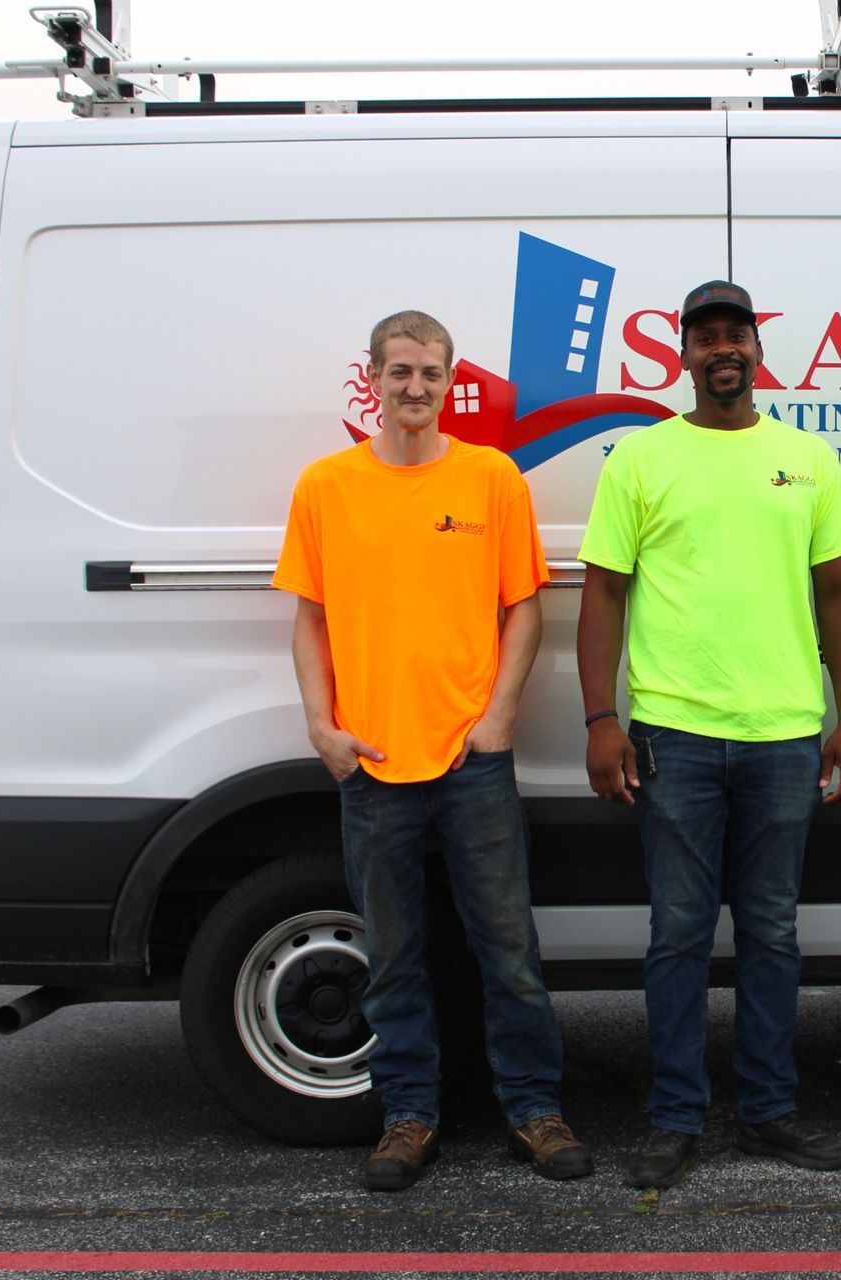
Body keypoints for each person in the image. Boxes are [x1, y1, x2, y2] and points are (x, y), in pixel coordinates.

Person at [275, 310, 590, 1191]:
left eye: (431, 372)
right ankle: (409, 1117)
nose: (415, 386)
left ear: (451, 382)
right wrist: (321, 727)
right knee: (394, 957)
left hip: (471, 761)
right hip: (372, 762)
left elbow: (523, 607)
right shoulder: (326, 486)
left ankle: (534, 1110)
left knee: (508, 951)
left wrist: (497, 718)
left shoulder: (491, 478)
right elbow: (310, 619)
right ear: (373, 379)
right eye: (400, 370)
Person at [576, 280, 841, 1190]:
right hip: (675, 735)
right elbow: (604, 593)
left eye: (735, 333)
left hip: (784, 735)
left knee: (773, 932)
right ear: (684, 356)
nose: (723, 349)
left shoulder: (806, 458)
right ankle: (675, 1118)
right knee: (678, 934)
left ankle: (768, 1113)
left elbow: (838, 594)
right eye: (705, 337)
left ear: (757, 349)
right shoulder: (641, 458)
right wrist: (600, 719)